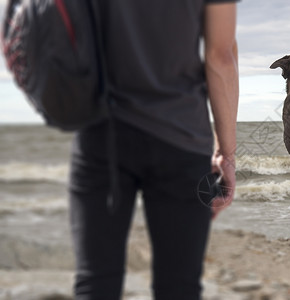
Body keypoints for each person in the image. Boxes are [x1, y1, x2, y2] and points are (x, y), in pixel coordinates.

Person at [68, 1, 239, 299]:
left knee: (95, 283)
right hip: (181, 139)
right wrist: (227, 153)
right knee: (179, 287)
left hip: (101, 133)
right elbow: (220, 56)